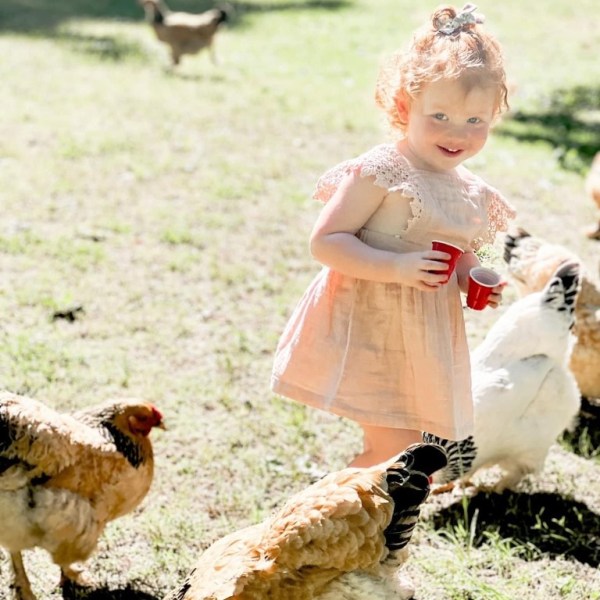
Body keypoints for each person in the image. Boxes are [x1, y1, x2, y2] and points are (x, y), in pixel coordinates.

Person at [271, 4, 516, 468]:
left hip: (423, 339)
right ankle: (336, 523)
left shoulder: (469, 191)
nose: (456, 133)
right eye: (439, 115)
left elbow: (458, 253)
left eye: (474, 121)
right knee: (396, 450)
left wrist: (473, 275)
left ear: (493, 118)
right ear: (405, 106)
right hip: (368, 324)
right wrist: (397, 267)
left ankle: (367, 528)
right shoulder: (384, 170)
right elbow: (326, 241)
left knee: (407, 453)